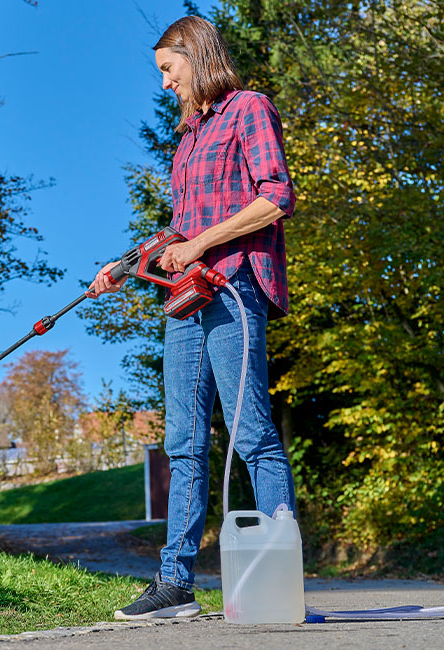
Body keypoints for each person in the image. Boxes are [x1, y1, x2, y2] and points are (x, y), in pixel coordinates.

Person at [86, 16, 297, 620]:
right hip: (187, 299)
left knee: (251, 431)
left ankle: (277, 568)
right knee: (181, 443)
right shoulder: (187, 139)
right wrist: (125, 267)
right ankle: (175, 583)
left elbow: (275, 196)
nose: (164, 84)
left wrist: (203, 241)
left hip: (234, 291)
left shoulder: (248, 109)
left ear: (196, 57)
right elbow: (178, 231)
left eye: (167, 70)